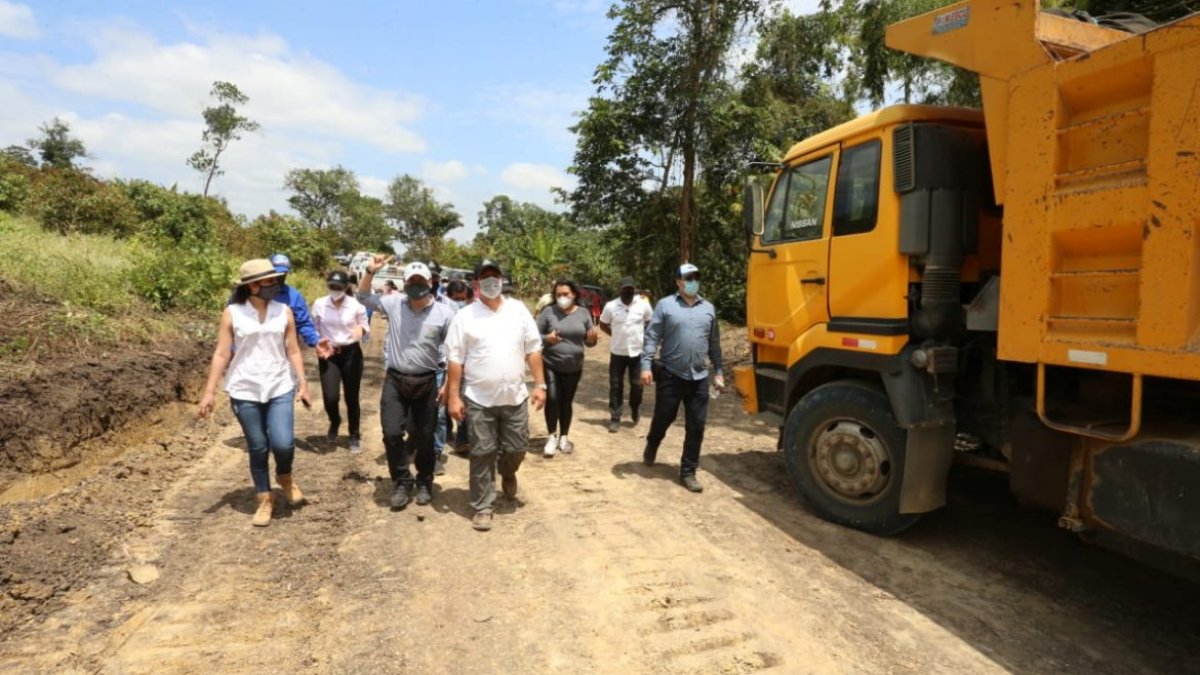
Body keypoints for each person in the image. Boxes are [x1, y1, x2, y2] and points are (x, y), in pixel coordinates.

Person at [198, 259, 313, 527]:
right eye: (270, 281)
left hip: (279, 384)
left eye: (276, 280)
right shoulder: (232, 313)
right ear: (252, 286)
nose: (276, 285)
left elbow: (293, 350)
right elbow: (222, 353)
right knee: (258, 445)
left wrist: (303, 382)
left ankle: (284, 476)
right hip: (244, 387)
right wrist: (209, 392)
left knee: (283, 443)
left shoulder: (284, 312)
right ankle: (264, 498)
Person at [446, 259, 546, 532]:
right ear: (476, 283)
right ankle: (483, 506)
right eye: (485, 277)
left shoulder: (518, 310)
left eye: (495, 276)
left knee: (517, 448)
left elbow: (533, 349)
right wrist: (453, 397)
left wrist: (540, 385)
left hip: (514, 397)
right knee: (482, 452)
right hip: (479, 398)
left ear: (502, 279)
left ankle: (508, 471)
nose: (491, 281)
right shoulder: (465, 317)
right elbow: (455, 360)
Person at [359, 257, 456, 510]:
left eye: (420, 281)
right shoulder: (393, 304)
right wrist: (370, 271)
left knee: (425, 437)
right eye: (411, 281)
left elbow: (454, 351)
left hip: (427, 381)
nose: (416, 285)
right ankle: (402, 480)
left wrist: (448, 384)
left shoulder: (445, 314)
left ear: (430, 282)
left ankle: (424, 480)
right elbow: (362, 297)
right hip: (396, 380)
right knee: (392, 433)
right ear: (404, 284)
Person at [640, 263, 724, 493]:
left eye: (696, 277)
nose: (693, 282)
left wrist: (718, 371)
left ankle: (688, 471)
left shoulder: (708, 308)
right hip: (671, 375)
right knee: (663, 418)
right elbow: (651, 337)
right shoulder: (665, 305)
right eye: (688, 278)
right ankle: (653, 442)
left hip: (699, 377)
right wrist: (646, 366)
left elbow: (714, 343)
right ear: (678, 281)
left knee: (696, 426)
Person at [536, 279, 598, 456]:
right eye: (558, 295)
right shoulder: (548, 312)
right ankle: (551, 436)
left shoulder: (584, 313)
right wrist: (547, 338)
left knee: (566, 401)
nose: (562, 298)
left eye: (566, 294)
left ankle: (564, 437)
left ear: (574, 294)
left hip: (574, 366)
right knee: (553, 398)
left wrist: (591, 340)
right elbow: (534, 336)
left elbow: (589, 340)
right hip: (551, 363)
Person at [311, 270, 369, 453]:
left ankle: (354, 435)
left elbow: (364, 327)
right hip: (329, 354)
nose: (335, 289)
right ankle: (335, 420)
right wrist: (317, 343)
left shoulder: (355, 306)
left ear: (346, 287)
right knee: (330, 397)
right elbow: (314, 329)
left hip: (351, 354)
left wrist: (360, 331)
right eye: (332, 286)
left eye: (339, 287)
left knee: (352, 397)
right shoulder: (320, 304)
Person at [600, 276, 654, 433]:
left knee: (637, 386)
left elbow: (651, 321)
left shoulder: (643, 305)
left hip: (637, 353)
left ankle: (635, 407)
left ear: (634, 289)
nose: (628, 292)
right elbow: (603, 324)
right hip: (617, 352)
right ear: (620, 290)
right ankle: (615, 417)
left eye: (630, 289)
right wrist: (614, 334)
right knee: (616, 385)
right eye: (625, 289)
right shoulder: (611, 306)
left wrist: (645, 337)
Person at [267, 253, 320, 350]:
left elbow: (303, 323)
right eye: (276, 273)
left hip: (285, 350)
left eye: (283, 273)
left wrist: (316, 342)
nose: (279, 276)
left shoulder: (294, 296)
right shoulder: (255, 293)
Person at [444, 279, 472, 455]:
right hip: (445, 360)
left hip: (465, 362)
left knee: (463, 397)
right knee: (445, 399)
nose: (460, 302)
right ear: (449, 297)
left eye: (463, 298)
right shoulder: (443, 313)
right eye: (456, 299)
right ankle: (446, 429)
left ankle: (463, 437)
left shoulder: (470, 314)